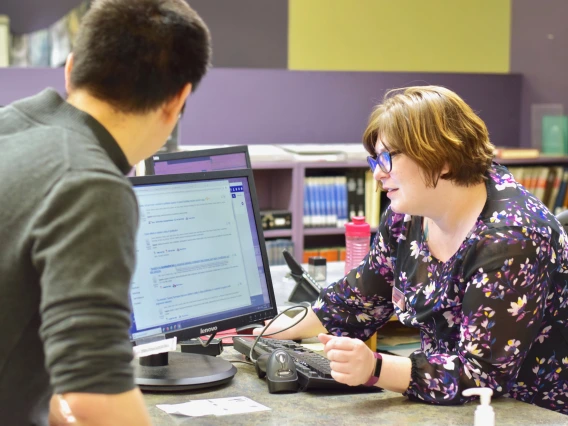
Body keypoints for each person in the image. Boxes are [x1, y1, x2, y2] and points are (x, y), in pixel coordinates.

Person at [257, 86, 568, 414]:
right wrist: (255, 332)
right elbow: (353, 302)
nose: (377, 174)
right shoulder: (407, 214)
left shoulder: (512, 238)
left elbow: (481, 376)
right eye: (375, 159)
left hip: (527, 412)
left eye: (388, 158)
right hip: (447, 404)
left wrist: (375, 368)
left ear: (443, 158)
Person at [0, 0, 211, 424]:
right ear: (177, 100)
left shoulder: (11, 127)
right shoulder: (91, 185)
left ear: (71, 67)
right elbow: (94, 396)